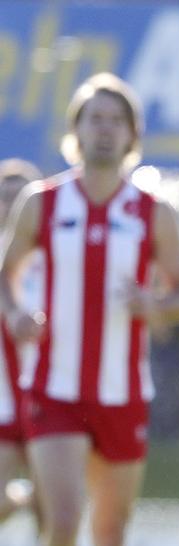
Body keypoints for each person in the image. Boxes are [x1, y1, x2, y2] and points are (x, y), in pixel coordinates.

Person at [0, 73, 179, 546]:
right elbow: (7, 280)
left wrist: (154, 304)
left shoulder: (152, 212)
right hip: (53, 390)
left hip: (122, 394)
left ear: (132, 135)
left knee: (110, 535)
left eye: (117, 119)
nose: (105, 129)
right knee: (63, 520)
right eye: (94, 118)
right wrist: (15, 315)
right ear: (76, 130)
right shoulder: (42, 201)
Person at [0, 158, 42, 523]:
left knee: (55, 516)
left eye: (20, 196)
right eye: (4, 196)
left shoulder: (54, 255)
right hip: (5, 402)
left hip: (49, 395)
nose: (12, 204)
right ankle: (24, 499)